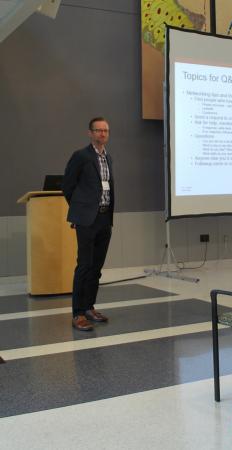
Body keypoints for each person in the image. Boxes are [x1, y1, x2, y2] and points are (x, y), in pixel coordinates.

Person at [63, 117, 114, 331]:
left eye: (105, 130)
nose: (102, 134)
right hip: (87, 220)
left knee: (96, 268)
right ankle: (77, 314)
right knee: (84, 266)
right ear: (90, 133)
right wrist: (80, 211)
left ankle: (89, 307)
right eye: (98, 130)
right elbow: (68, 186)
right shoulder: (81, 156)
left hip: (104, 218)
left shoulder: (108, 157)